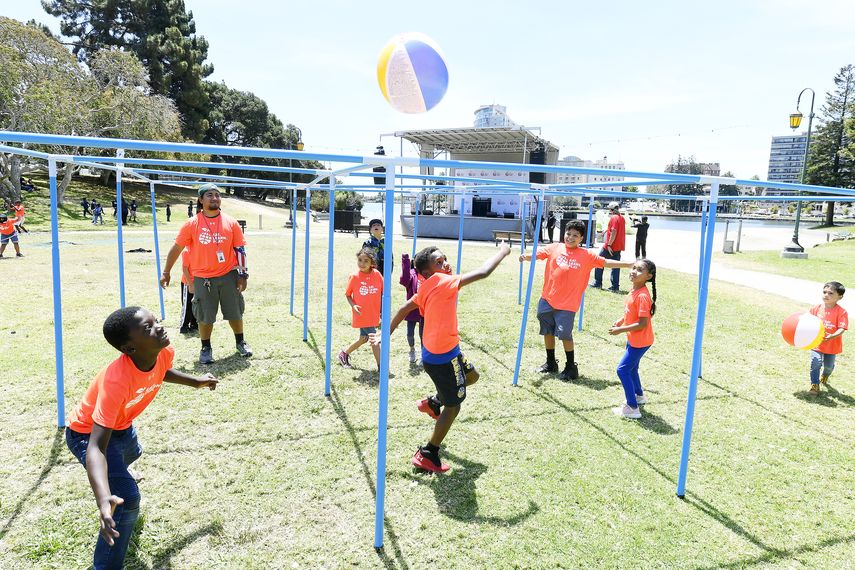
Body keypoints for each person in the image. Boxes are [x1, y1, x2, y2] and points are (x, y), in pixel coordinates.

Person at [65, 306, 218, 569]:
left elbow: (160, 372)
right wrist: (103, 499)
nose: (158, 327)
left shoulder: (163, 350)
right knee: (127, 498)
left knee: (134, 451)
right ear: (129, 348)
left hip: (122, 427)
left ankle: (121, 472)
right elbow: (96, 448)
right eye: (148, 328)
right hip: (87, 433)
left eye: (155, 321)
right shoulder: (116, 381)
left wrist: (196, 382)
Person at [372, 242, 511, 473]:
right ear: (427, 273)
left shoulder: (426, 285)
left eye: (444, 258)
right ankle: (428, 453)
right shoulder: (443, 282)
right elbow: (484, 272)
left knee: (472, 376)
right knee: (454, 406)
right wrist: (503, 252)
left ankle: (434, 402)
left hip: (448, 351)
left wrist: (385, 334)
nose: (445, 263)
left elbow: (404, 309)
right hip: (442, 358)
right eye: (439, 262)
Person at [520, 220, 634, 380]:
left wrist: (628, 264)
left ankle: (571, 367)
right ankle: (550, 362)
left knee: (565, 334)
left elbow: (606, 262)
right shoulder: (555, 247)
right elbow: (540, 254)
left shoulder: (586, 255)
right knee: (547, 331)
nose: (570, 238)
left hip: (567, 304)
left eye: (575, 235)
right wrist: (526, 256)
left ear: (581, 238)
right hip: (547, 299)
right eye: (568, 234)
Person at [160, 183, 251, 364]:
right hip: (203, 278)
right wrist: (166, 271)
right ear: (201, 200)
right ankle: (206, 347)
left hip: (228, 274)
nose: (214, 198)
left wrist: (243, 275)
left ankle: (241, 342)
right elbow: (177, 248)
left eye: (217, 195)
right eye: (209, 195)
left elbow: (240, 249)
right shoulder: (191, 224)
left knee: (235, 311)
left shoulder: (231, 222)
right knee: (204, 315)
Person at [608, 259, 657, 419]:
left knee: (622, 370)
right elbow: (631, 312)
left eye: (640, 270)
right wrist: (622, 320)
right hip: (635, 340)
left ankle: (632, 407)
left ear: (648, 276)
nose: (634, 271)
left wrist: (620, 330)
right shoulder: (634, 290)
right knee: (632, 368)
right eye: (634, 268)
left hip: (640, 341)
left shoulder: (643, 295)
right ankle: (639, 396)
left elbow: (642, 323)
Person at [339, 247, 383, 370]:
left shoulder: (377, 275)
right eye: (360, 260)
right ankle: (381, 366)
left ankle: (344, 353)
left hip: (373, 313)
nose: (362, 264)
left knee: (364, 339)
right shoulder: (354, 276)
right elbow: (348, 295)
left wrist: (381, 313)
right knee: (374, 339)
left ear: (372, 263)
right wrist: (354, 305)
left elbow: (384, 292)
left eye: (366, 261)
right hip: (362, 313)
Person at [807, 281, 848, 394]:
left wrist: (832, 336)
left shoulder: (842, 312)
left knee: (829, 367)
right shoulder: (815, 308)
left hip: (832, 345)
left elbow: (842, 328)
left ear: (840, 297)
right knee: (816, 362)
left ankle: (825, 375)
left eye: (830, 293)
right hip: (817, 343)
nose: (826, 295)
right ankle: (814, 384)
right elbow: (807, 322)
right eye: (824, 292)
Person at [592, 202, 626, 292]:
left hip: (610, 246)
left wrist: (609, 244)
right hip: (618, 246)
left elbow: (614, 231)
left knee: (598, 262)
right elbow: (615, 228)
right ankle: (615, 286)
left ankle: (597, 283)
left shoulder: (613, 218)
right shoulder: (621, 217)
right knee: (616, 266)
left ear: (610, 209)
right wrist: (605, 231)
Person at [399, 252, 424, 363]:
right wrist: (405, 260)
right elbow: (404, 280)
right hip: (411, 310)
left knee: (423, 335)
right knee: (410, 334)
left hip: (424, 310)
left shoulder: (427, 274)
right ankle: (412, 349)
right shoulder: (411, 274)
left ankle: (424, 354)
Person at [179, 247, 198, 334]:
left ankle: (194, 324)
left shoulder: (199, 249)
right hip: (188, 282)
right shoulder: (186, 251)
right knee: (187, 305)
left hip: (198, 281)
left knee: (197, 304)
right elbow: (184, 269)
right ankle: (184, 325)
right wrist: (190, 284)